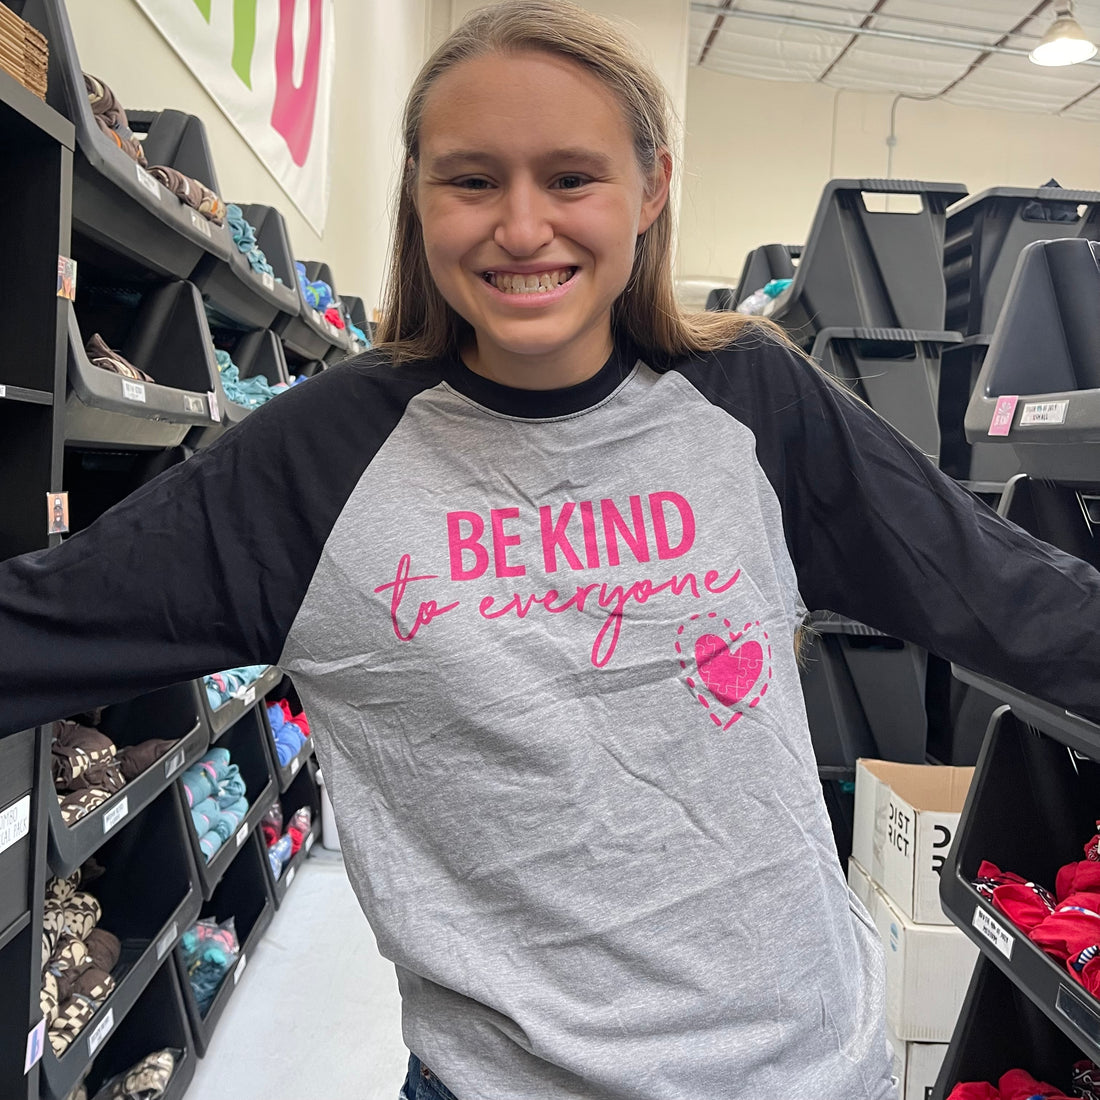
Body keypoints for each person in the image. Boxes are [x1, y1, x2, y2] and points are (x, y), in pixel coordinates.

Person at [2, 3, 1099, 1098]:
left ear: (649, 188)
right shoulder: (315, 463)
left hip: (810, 1065)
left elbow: (1008, 598)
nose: (522, 228)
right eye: (471, 180)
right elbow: (40, 624)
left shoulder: (754, 405)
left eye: (571, 178)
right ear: (418, 194)